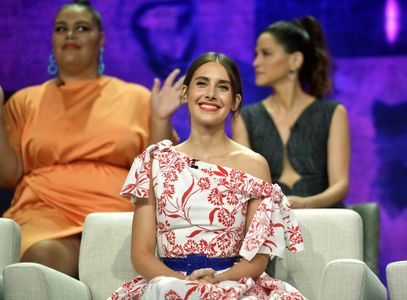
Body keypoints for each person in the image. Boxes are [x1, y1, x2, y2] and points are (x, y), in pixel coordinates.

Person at [0, 0, 182, 278]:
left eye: (81, 28)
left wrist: (160, 120)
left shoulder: (135, 97)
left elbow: (160, 174)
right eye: (62, 29)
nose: (70, 35)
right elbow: (8, 175)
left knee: (54, 257)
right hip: (42, 213)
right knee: (40, 257)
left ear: (101, 39)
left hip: (113, 218)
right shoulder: (26, 101)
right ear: (52, 39)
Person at [110, 52, 305, 299]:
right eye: (202, 83)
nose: (210, 93)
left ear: (235, 102)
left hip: (233, 283)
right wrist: (185, 283)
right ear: (185, 93)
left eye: (222, 87)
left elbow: (257, 258)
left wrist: (217, 281)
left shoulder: (254, 166)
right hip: (168, 283)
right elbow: (141, 254)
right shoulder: (155, 162)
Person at [232, 16, 350, 208]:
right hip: (271, 224)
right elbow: (247, 186)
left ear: (295, 61)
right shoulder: (246, 117)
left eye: (266, 54)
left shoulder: (332, 112)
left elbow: (340, 184)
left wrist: (306, 204)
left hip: (325, 218)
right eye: (256, 54)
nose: (256, 62)